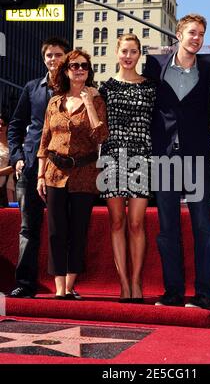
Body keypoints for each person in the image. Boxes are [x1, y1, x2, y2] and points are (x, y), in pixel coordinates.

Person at [143, 14, 210, 308]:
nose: (196, 38)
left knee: (202, 227)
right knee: (167, 228)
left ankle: (203, 293)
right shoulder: (155, 67)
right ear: (179, 35)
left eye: (201, 34)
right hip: (164, 159)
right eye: (192, 33)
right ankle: (172, 291)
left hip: (197, 159)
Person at [37, 49, 108, 299]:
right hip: (54, 172)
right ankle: (59, 289)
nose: (79, 69)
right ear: (66, 71)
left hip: (85, 174)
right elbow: (45, 139)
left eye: (84, 66)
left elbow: (101, 136)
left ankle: (69, 286)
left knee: (78, 230)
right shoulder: (54, 101)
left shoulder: (97, 100)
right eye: (74, 65)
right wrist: (40, 175)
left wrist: (89, 103)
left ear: (89, 72)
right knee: (56, 231)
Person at [7, 37, 71, 298]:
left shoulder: (77, 89)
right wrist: (17, 156)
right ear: (44, 59)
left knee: (65, 227)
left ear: (67, 57)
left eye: (58, 55)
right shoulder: (32, 88)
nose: (53, 59)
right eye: (49, 55)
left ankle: (65, 286)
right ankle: (25, 283)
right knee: (28, 228)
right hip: (31, 166)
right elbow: (15, 126)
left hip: (66, 168)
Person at [98, 34, 156, 303]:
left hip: (141, 158)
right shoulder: (105, 88)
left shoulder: (150, 87)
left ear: (140, 54)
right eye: (124, 51)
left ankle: (136, 282)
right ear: (116, 52)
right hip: (112, 159)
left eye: (134, 51)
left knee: (136, 223)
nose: (129, 56)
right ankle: (123, 284)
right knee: (117, 222)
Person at [0, 113, 15, 207]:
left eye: (3, 124)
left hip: (7, 188)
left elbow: (15, 166)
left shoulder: (12, 146)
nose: (0, 126)